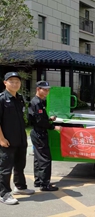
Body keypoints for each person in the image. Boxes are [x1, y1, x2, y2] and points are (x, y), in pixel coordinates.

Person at [0, 72, 35, 205]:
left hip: (20, 138)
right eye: (11, 81)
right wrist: (1, 139)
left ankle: (20, 187)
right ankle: (3, 193)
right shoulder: (2, 99)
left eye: (17, 81)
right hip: (7, 141)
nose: (15, 84)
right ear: (5, 83)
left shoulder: (19, 98)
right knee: (5, 168)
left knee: (20, 165)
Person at [28, 81, 61, 191]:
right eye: (44, 89)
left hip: (37, 132)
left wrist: (49, 119)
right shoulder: (37, 103)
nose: (47, 91)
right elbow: (39, 121)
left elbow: (40, 118)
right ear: (38, 89)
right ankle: (44, 184)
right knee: (45, 159)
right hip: (39, 133)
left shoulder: (40, 102)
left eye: (48, 89)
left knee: (38, 158)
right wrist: (52, 127)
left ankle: (38, 181)